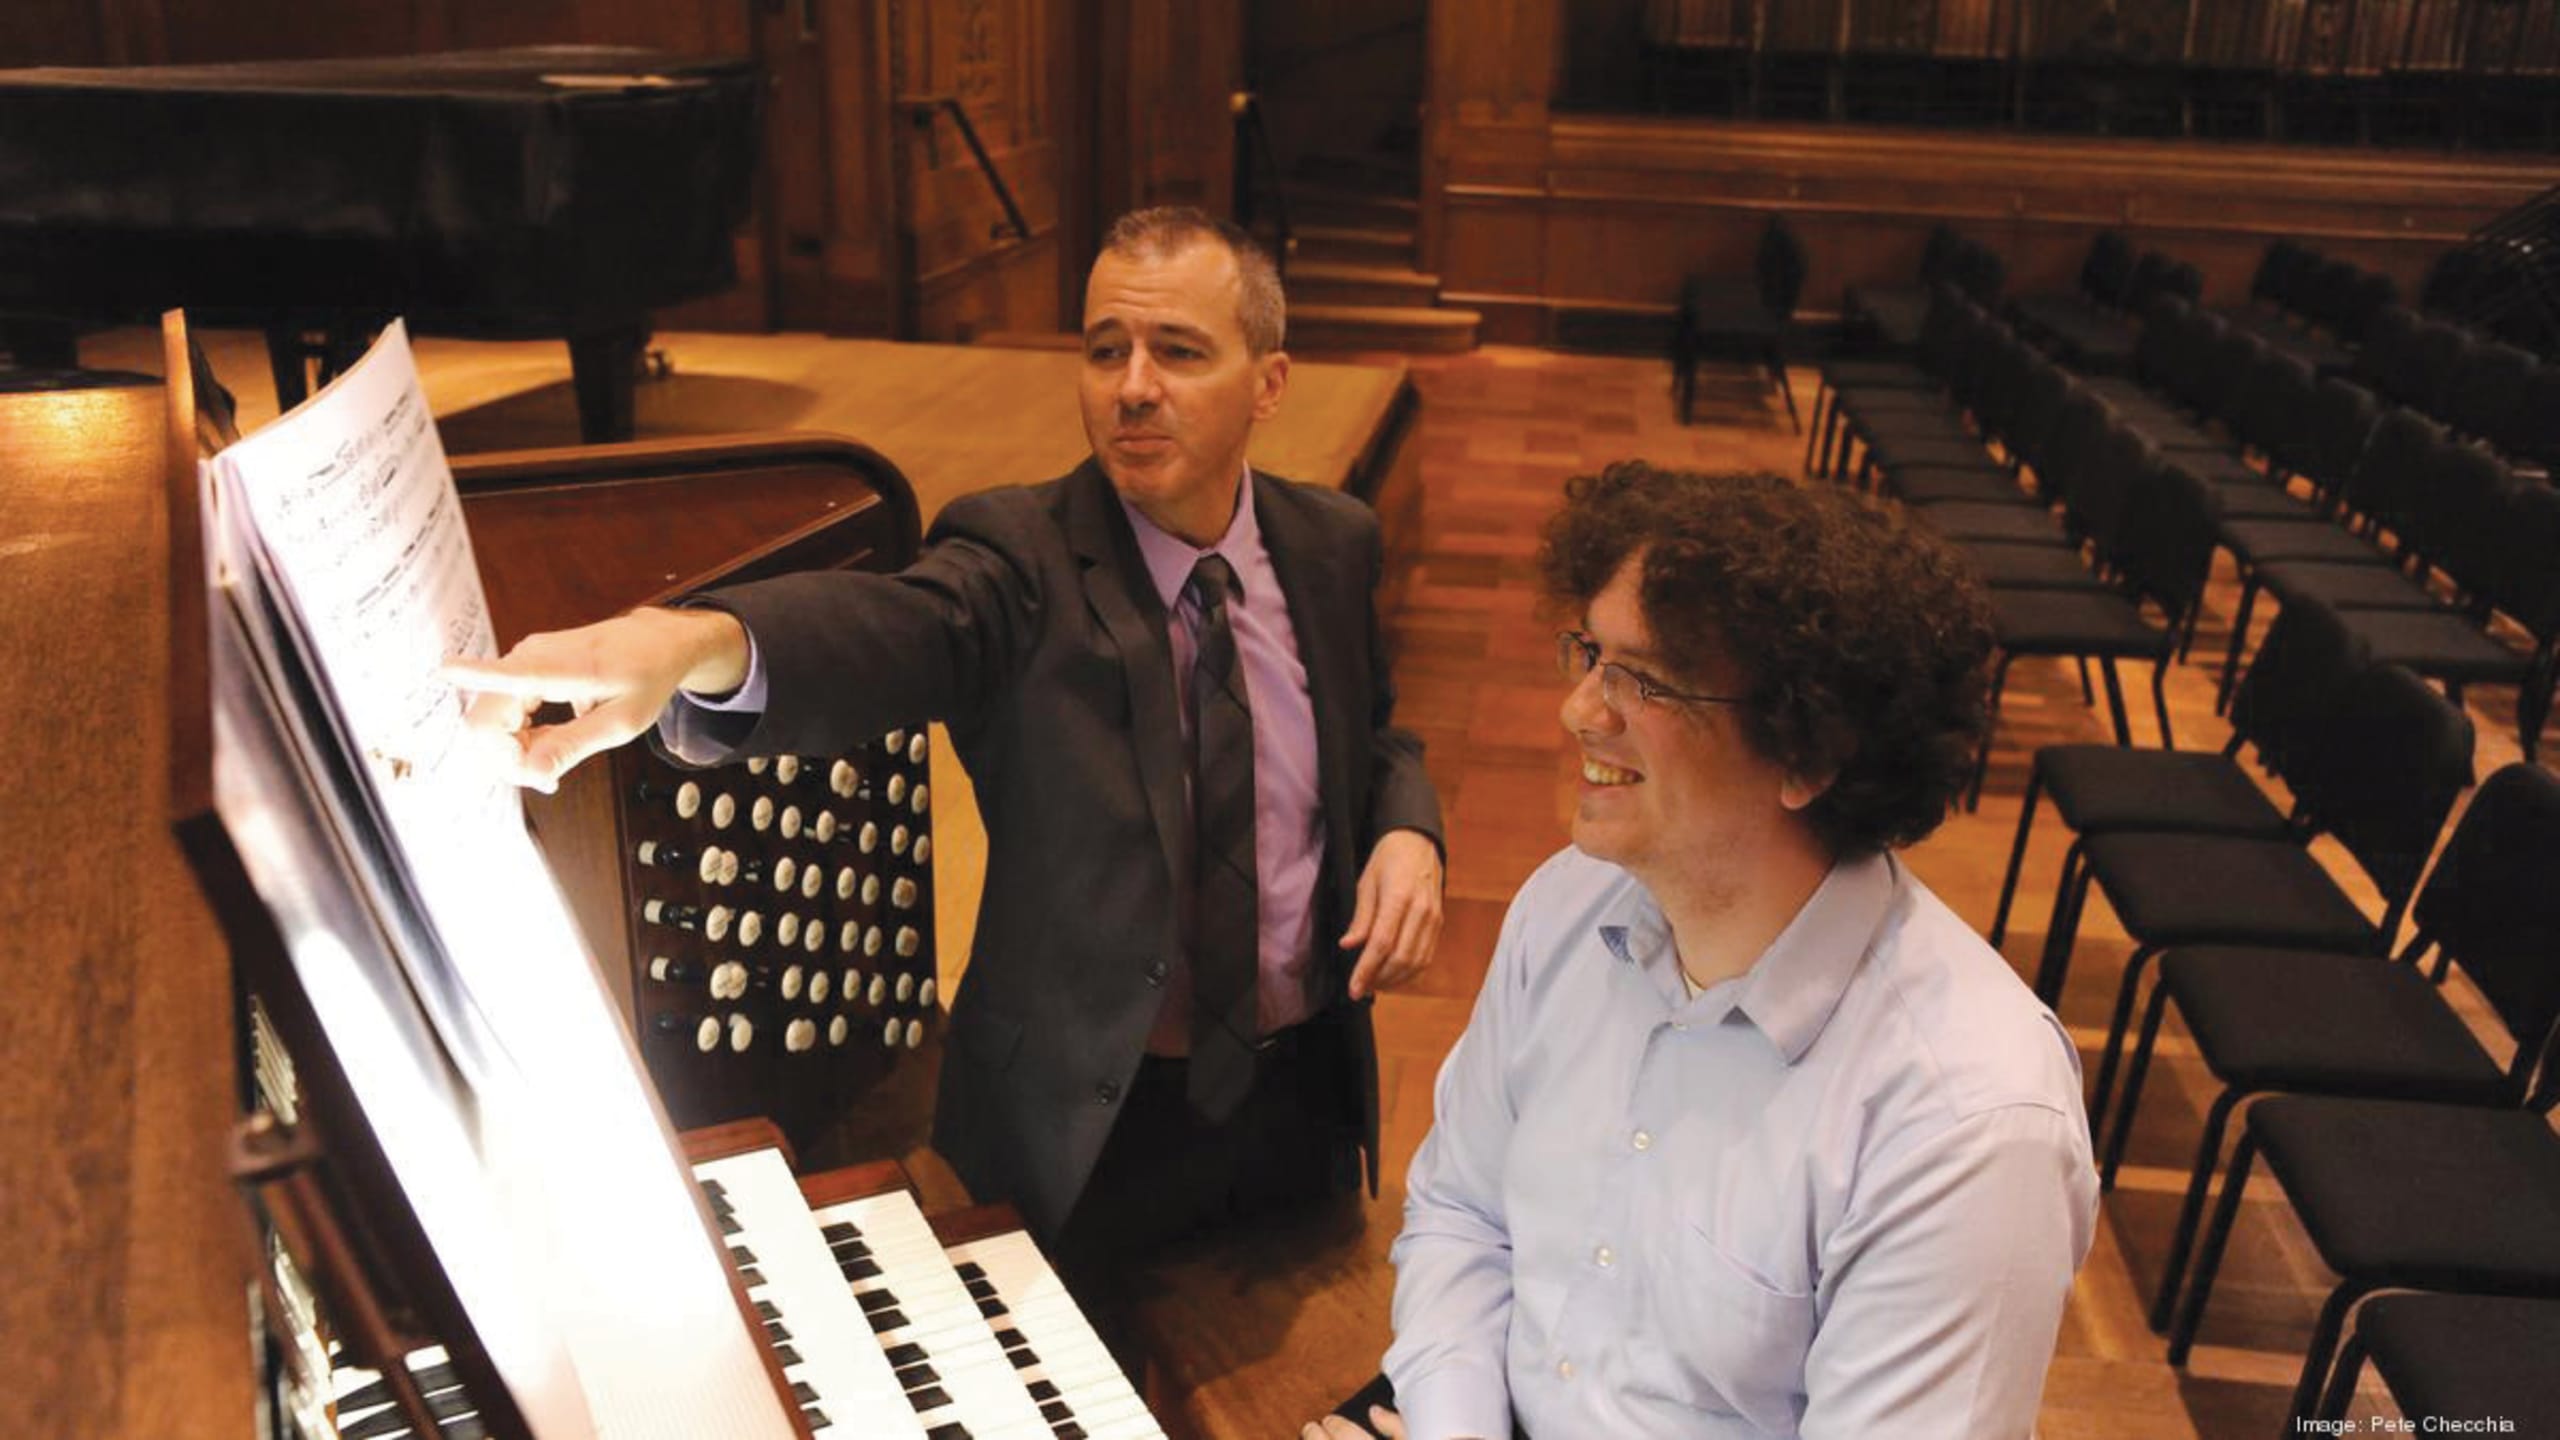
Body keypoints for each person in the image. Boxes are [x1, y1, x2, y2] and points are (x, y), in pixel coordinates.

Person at [445, 207, 1446, 1280]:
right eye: (1105, 349)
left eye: (1179, 352)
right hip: (1087, 1134)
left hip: (1295, 1106)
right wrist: (691, 643)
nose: (1133, 385)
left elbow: (1371, 732)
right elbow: (894, 633)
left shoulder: (1330, 544)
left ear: (1269, 381)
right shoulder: (1019, 558)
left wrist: (1406, 833)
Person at [1310, 464, 2096, 1440]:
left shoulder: (1967, 1123)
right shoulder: (1565, 903)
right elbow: (1464, 1211)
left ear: (1808, 750)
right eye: (1591, 656)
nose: (1579, 712)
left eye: (1645, 681)